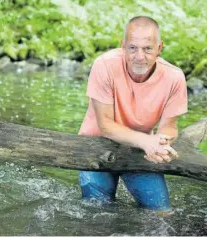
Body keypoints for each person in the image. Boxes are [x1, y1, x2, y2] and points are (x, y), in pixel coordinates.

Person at [78, 16, 188, 211]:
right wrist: (147, 142)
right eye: (132, 48)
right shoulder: (104, 65)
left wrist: (162, 143)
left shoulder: (174, 77)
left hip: (139, 153)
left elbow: (169, 127)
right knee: (97, 214)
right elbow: (105, 125)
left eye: (147, 48)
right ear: (123, 46)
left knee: (161, 213)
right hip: (96, 146)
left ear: (159, 48)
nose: (139, 56)